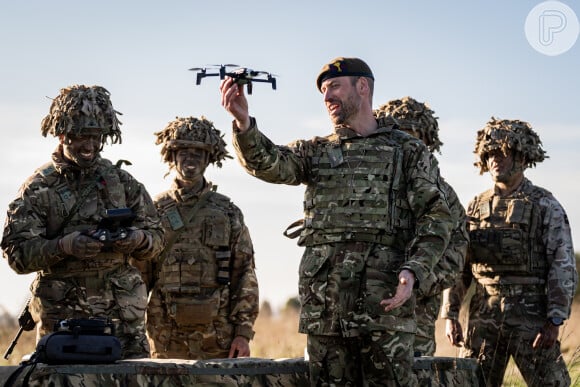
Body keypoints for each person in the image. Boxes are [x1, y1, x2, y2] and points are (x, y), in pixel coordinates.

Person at [220, 57, 455, 386]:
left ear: (362, 87)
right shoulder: (316, 151)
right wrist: (243, 123)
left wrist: (413, 268)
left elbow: (436, 216)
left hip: (384, 305)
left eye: (334, 87)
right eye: (323, 90)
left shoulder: (408, 151)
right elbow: (269, 162)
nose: (327, 96)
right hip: (326, 309)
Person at [1, 84, 165, 359]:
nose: (89, 146)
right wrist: (64, 246)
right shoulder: (39, 188)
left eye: (96, 137)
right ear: (62, 133)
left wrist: (136, 239)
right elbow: (17, 254)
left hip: (122, 325)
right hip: (64, 326)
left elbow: (157, 237)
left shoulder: (122, 183)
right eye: (80, 137)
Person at [442, 117, 577, 387]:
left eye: (503, 152)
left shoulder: (544, 204)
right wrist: (451, 314)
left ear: (521, 156)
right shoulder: (474, 206)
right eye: (490, 153)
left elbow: (562, 263)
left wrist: (555, 319)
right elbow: (459, 266)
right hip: (483, 316)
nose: (495, 159)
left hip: (532, 318)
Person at [138, 116, 259, 359]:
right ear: (172, 156)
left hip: (218, 336)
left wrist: (243, 333)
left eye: (198, 152)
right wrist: (132, 331)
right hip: (165, 336)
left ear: (209, 158)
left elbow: (244, 273)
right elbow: (139, 276)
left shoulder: (227, 212)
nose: (190, 159)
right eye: (183, 151)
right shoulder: (154, 210)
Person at [374, 96, 468, 359]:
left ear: (427, 143)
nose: (405, 145)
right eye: (397, 135)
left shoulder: (444, 195)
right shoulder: (368, 186)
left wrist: (416, 283)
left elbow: (455, 255)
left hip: (417, 319)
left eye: (412, 138)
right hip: (364, 313)